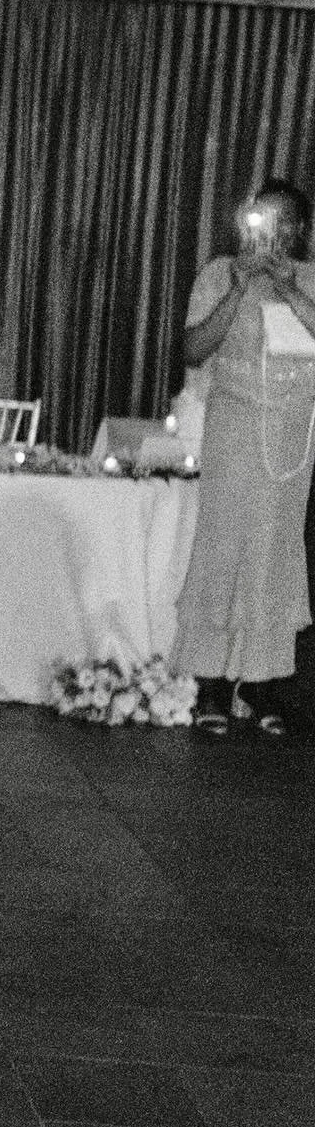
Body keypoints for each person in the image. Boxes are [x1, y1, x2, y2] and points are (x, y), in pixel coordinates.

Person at [176, 179, 315, 739]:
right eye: (265, 221)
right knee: (224, 545)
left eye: (286, 224)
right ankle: (210, 683)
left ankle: (263, 685)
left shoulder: (310, 279)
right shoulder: (219, 272)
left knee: (275, 554)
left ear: (301, 231)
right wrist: (239, 290)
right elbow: (192, 349)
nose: (273, 234)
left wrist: (292, 293)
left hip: (293, 439)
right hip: (234, 432)